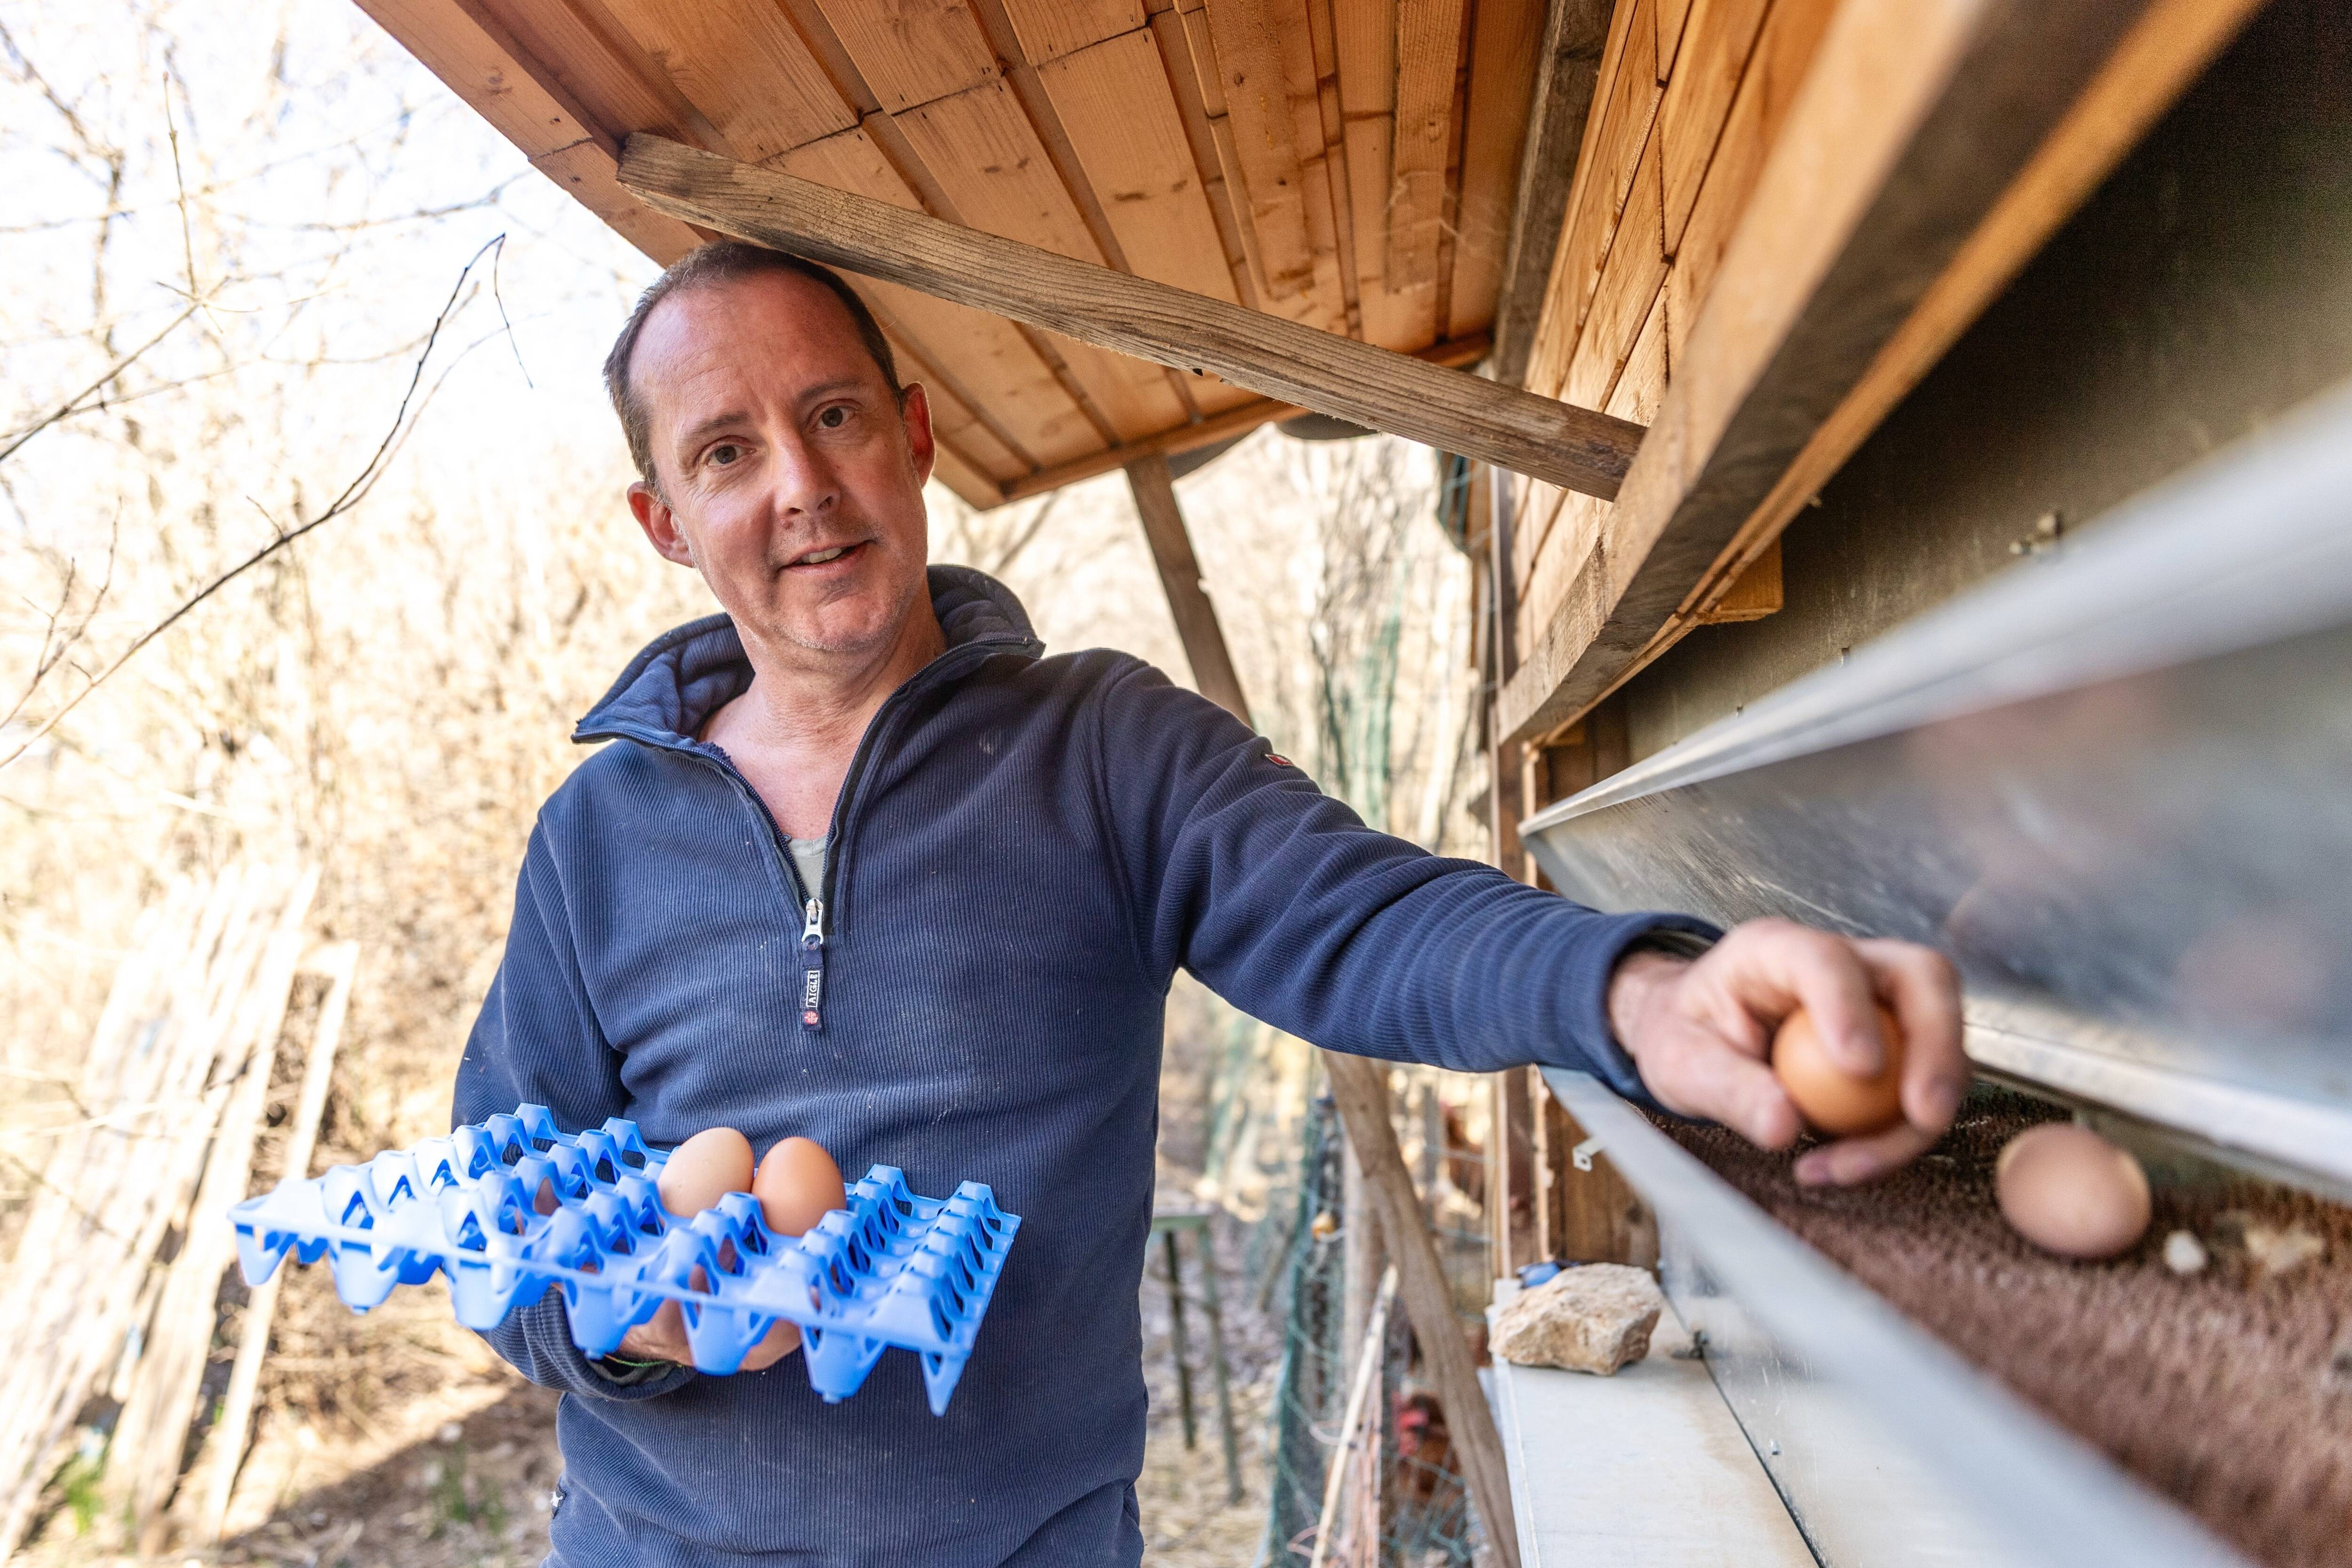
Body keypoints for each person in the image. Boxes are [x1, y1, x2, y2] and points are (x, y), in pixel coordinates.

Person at [455, 240, 1965, 1567]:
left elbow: (1365, 918)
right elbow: (498, 1234)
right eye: (727, 453)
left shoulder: (1103, 750)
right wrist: (617, 1323)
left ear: (912, 436)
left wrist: (1638, 990)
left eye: (833, 414)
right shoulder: (597, 838)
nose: (801, 485)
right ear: (666, 520)